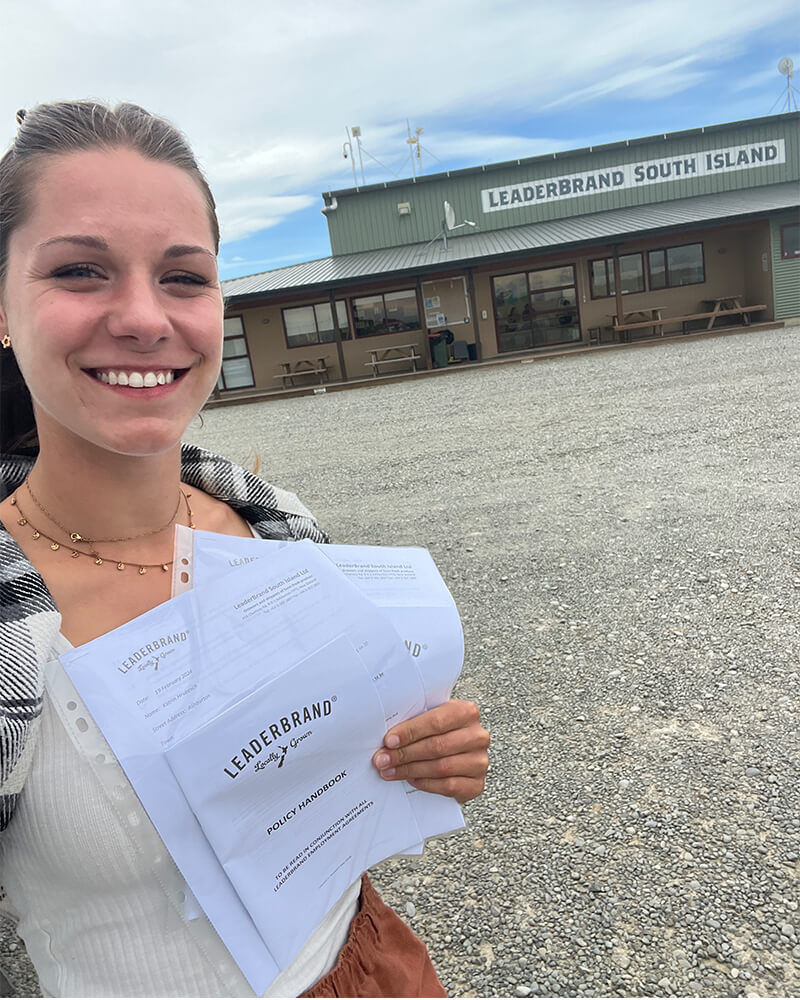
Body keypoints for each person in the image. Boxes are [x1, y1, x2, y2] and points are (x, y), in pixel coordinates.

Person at [0, 101, 490, 998]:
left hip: (370, 966)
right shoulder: (11, 637)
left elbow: (345, 769)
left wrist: (427, 753)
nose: (145, 318)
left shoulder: (278, 526)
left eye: (183, 277)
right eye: (80, 270)